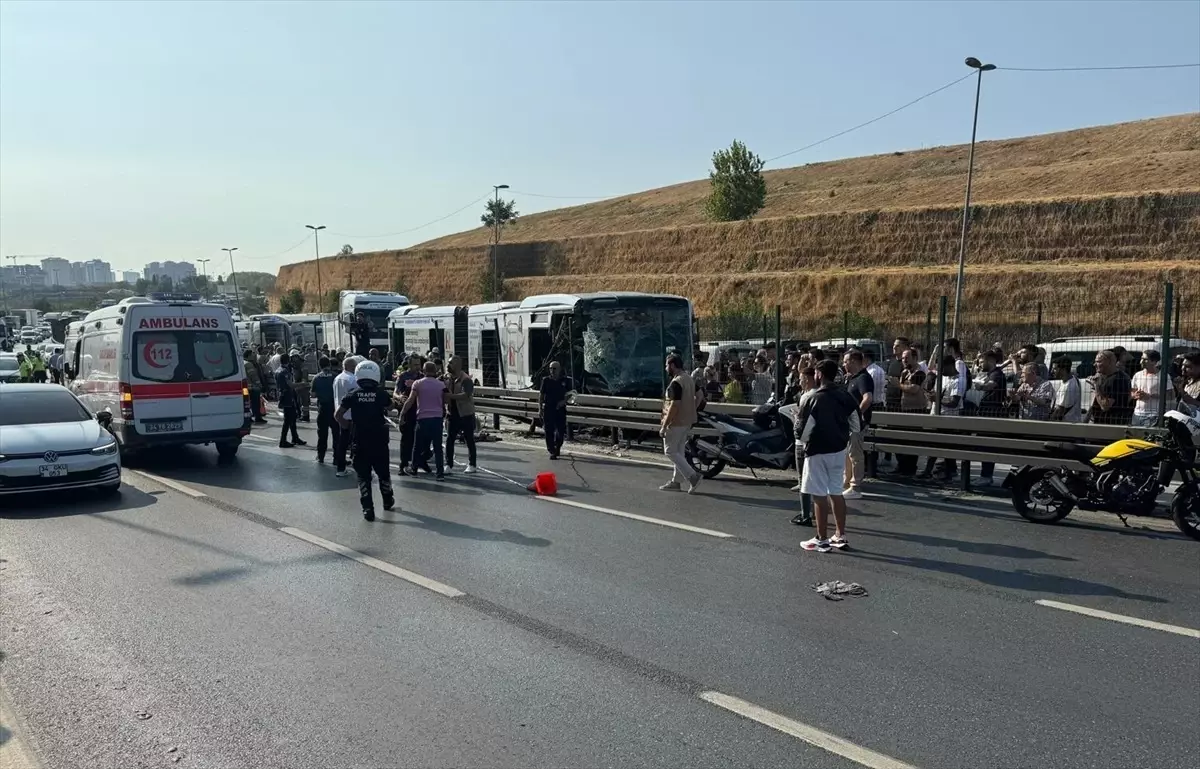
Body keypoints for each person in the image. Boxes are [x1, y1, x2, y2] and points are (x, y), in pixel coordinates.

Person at [797, 359, 861, 553]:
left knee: (818, 494)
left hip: (817, 450)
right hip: (838, 449)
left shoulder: (813, 398)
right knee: (836, 491)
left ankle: (821, 538)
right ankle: (840, 535)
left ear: (819, 374)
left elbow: (802, 431)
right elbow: (857, 424)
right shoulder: (846, 395)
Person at [335, 359, 394, 521]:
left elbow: (338, 415)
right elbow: (391, 406)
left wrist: (349, 427)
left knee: (363, 476)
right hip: (379, 441)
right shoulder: (381, 393)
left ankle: (368, 508)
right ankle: (387, 500)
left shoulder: (352, 394)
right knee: (383, 473)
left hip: (359, 440)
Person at [659, 353, 701, 493]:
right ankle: (676, 482)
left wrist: (665, 425)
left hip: (675, 422)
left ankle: (693, 476)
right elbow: (700, 395)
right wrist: (691, 409)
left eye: (666, 365)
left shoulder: (676, 382)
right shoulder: (688, 379)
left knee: (670, 451)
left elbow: (674, 405)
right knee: (679, 452)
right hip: (687, 421)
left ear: (672, 365)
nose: (666, 369)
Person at [401, 361, 448, 479]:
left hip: (422, 418)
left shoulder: (418, 384)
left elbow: (410, 400)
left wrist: (402, 413)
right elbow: (445, 401)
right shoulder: (441, 385)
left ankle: (414, 469)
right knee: (438, 447)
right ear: (435, 371)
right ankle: (440, 473)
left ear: (424, 370)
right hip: (437, 418)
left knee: (417, 446)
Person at [841, 350, 873, 499]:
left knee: (855, 454)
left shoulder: (863, 378)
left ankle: (855, 486)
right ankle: (846, 481)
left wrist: (856, 415)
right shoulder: (853, 378)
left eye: (846, 361)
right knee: (848, 453)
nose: (844, 364)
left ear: (853, 361)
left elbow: (867, 398)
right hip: (850, 423)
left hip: (857, 424)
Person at [790, 366, 818, 524]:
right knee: (816, 479)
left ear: (806, 379)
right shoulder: (820, 394)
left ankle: (805, 514)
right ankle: (816, 510)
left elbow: (801, 422)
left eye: (800, 379)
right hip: (815, 441)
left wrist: (795, 417)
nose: (799, 382)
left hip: (802, 442)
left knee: (803, 479)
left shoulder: (806, 396)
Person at [444, 355, 478, 473]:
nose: (448, 365)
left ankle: (472, 464)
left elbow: (466, 395)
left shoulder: (466, 379)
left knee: (469, 439)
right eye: (448, 363)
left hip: (465, 414)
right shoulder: (447, 378)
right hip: (452, 413)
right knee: (450, 439)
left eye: (451, 363)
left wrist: (450, 396)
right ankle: (448, 464)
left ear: (458, 365)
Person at [393, 355, 423, 474]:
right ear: (409, 365)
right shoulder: (403, 376)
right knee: (406, 439)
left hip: (420, 411)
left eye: (419, 364)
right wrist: (400, 397)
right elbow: (395, 392)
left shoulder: (422, 377)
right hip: (407, 411)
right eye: (415, 364)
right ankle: (403, 464)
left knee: (420, 439)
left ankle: (418, 462)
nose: (417, 367)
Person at [1088, 350, 1134, 425]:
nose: (1094, 364)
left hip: (1112, 424)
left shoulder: (1118, 379)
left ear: (1110, 362)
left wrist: (1095, 386)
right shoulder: (1101, 376)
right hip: (1099, 423)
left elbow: (1105, 406)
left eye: (1098, 362)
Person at [332, 356, 360, 476]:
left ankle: (341, 467)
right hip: (352, 415)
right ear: (351, 367)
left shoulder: (337, 378)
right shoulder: (353, 379)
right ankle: (359, 467)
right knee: (356, 442)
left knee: (342, 442)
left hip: (340, 413)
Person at [312, 356, 340, 464]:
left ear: (320, 365)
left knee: (322, 434)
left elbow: (313, 394)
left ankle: (320, 456)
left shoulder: (316, 377)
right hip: (334, 407)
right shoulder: (335, 376)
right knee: (336, 434)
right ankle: (337, 458)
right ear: (329, 364)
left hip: (322, 408)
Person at [539, 361, 569, 460]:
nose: (552, 370)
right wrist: (540, 408)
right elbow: (541, 395)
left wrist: (564, 401)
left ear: (559, 369)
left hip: (560, 409)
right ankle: (552, 450)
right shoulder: (546, 380)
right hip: (549, 408)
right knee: (549, 431)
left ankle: (557, 446)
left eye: (554, 368)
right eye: (551, 368)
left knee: (560, 431)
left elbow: (571, 394)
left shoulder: (564, 380)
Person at [1130, 350, 1168, 427]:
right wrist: (1135, 395)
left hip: (1153, 415)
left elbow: (1170, 395)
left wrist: (1150, 396)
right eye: (1141, 358)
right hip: (1137, 414)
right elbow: (1131, 392)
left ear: (1154, 362)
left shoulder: (1163, 376)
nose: (1141, 361)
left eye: (1145, 359)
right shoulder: (1137, 375)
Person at [275, 353, 305, 448]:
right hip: (287, 396)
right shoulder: (284, 372)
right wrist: (303, 384)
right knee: (288, 420)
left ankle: (295, 437)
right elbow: (291, 385)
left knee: (292, 418)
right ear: (288, 361)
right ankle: (283, 440)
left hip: (283, 395)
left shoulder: (278, 370)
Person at [1049, 356, 1083, 423]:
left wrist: (1049, 421)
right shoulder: (1070, 380)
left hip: (1067, 425)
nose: (1052, 371)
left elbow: (1060, 410)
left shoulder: (1069, 386)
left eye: (1055, 369)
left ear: (1063, 369)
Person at [243, 349, 268, 424]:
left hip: (245, 387)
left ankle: (249, 417)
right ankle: (258, 417)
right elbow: (253, 376)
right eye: (252, 354)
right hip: (253, 387)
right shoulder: (248, 364)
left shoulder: (241, 363)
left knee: (246, 403)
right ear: (249, 355)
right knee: (256, 403)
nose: (254, 356)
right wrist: (259, 384)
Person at [291, 349, 311, 423]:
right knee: (298, 402)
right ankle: (299, 414)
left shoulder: (302, 364)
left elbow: (304, 375)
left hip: (303, 386)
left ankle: (306, 416)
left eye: (295, 357)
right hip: (296, 386)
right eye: (293, 357)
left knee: (304, 402)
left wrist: (302, 383)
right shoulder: (293, 365)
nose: (294, 359)